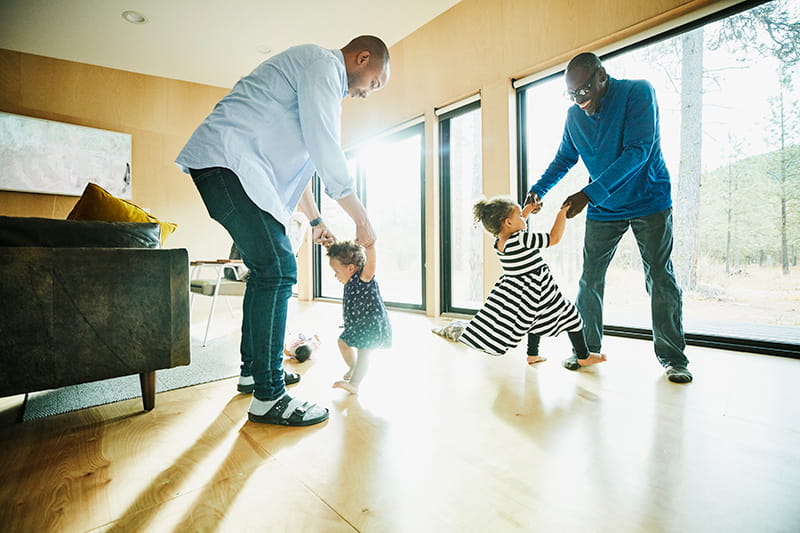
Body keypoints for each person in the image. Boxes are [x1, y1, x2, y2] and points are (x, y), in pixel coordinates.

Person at [175, 36, 391, 425]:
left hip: (227, 169)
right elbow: (326, 148)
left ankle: (253, 374)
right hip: (228, 164)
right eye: (374, 83)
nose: (367, 93)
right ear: (362, 58)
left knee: (266, 272)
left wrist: (315, 219)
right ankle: (269, 396)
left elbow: (303, 164)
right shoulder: (323, 67)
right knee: (278, 270)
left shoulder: (313, 77)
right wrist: (361, 217)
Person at [525, 52, 692, 383]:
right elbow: (564, 158)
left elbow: (638, 151)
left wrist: (588, 194)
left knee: (659, 276)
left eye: (584, 90)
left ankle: (673, 358)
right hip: (604, 207)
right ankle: (586, 350)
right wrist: (538, 190)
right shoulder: (574, 116)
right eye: (572, 94)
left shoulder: (637, 93)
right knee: (590, 279)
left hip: (649, 199)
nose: (580, 99)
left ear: (602, 76)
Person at [458, 196, 606, 368]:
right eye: (520, 216)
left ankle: (532, 355)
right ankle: (583, 356)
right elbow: (554, 238)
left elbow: (516, 227)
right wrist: (562, 213)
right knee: (572, 316)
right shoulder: (521, 239)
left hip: (523, 294)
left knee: (533, 320)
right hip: (539, 289)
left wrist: (527, 211)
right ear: (508, 223)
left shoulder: (500, 242)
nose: (523, 218)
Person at [327, 241, 392, 394]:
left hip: (371, 325)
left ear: (350, 268)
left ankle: (355, 384)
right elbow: (338, 254)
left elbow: (371, 265)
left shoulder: (363, 278)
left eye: (336, 271)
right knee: (342, 343)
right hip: (356, 325)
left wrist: (370, 247)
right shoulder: (349, 282)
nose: (335, 275)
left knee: (364, 351)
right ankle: (353, 367)